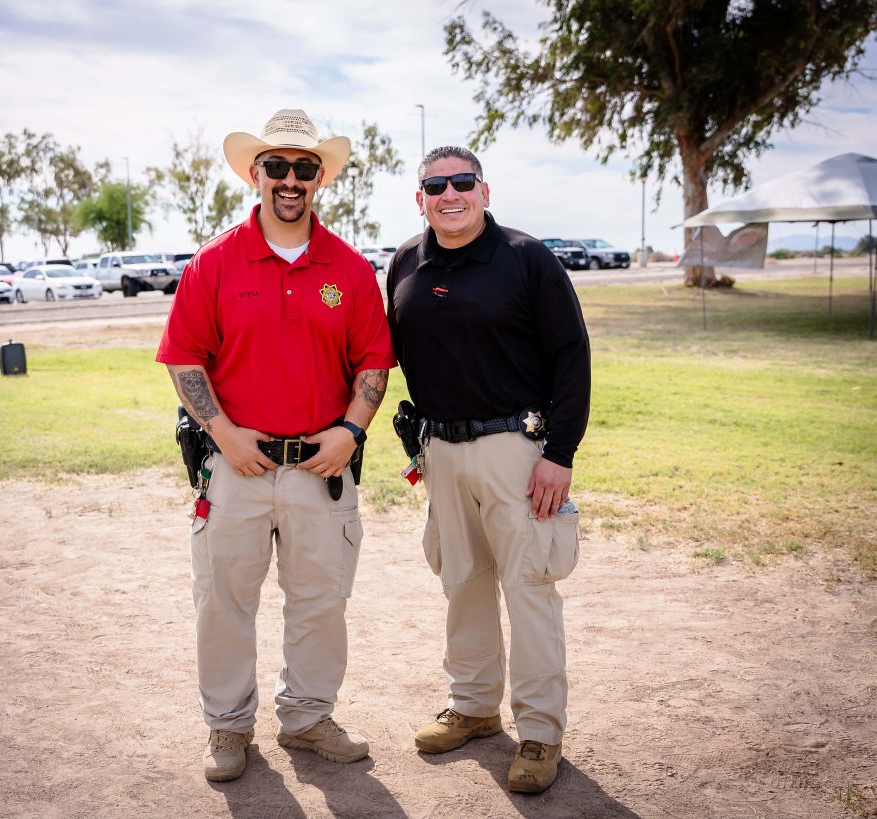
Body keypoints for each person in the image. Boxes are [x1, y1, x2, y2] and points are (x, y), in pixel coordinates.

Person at [156, 109, 395, 783]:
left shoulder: (348, 269)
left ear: (320, 178)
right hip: (235, 465)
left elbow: (373, 363)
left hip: (321, 470)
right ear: (254, 173)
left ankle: (309, 717)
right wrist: (225, 437)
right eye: (278, 166)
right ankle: (228, 727)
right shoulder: (214, 263)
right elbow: (185, 361)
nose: (291, 180)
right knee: (224, 599)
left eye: (304, 168)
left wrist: (350, 432)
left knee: (321, 598)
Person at [386, 146, 591, 793]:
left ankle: (539, 731)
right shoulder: (403, 263)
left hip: (518, 450)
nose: (450, 193)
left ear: (485, 190)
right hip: (439, 452)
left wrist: (560, 453)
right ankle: (474, 706)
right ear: (419, 197)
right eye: (435, 185)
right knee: (462, 580)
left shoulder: (527, 258)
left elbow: (572, 355)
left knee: (529, 586)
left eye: (462, 182)